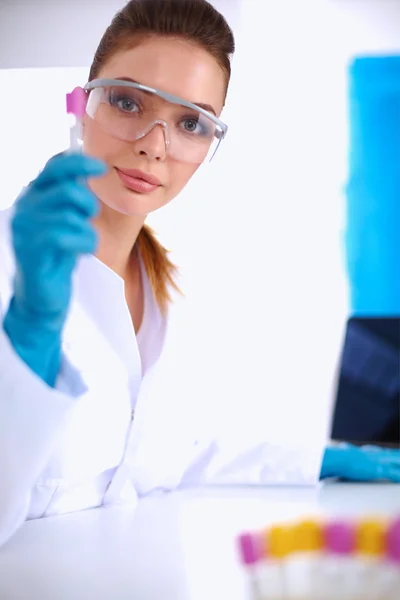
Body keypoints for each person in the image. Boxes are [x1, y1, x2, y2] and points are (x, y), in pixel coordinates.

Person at [0, 0, 399, 549]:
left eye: (190, 122)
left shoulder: (168, 289)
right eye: (126, 101)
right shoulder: (10, 268)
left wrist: (320, 459)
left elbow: (162, 457)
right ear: (80, 105)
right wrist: (29, 338)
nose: (154, 145)